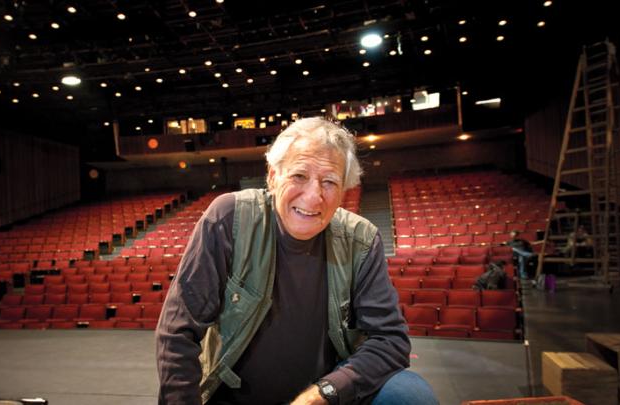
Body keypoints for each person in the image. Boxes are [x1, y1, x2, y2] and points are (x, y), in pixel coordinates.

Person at [156, 117, 438, 405]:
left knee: (409, 394)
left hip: (328, 397)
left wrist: (325, 393)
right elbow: (177, 332)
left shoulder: (361, 239)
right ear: (272, 176)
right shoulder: (230, 218)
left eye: (329, 182)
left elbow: (390, 341)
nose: (313, 197)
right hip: (234, 398)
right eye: (299, 176)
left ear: (343, 191)